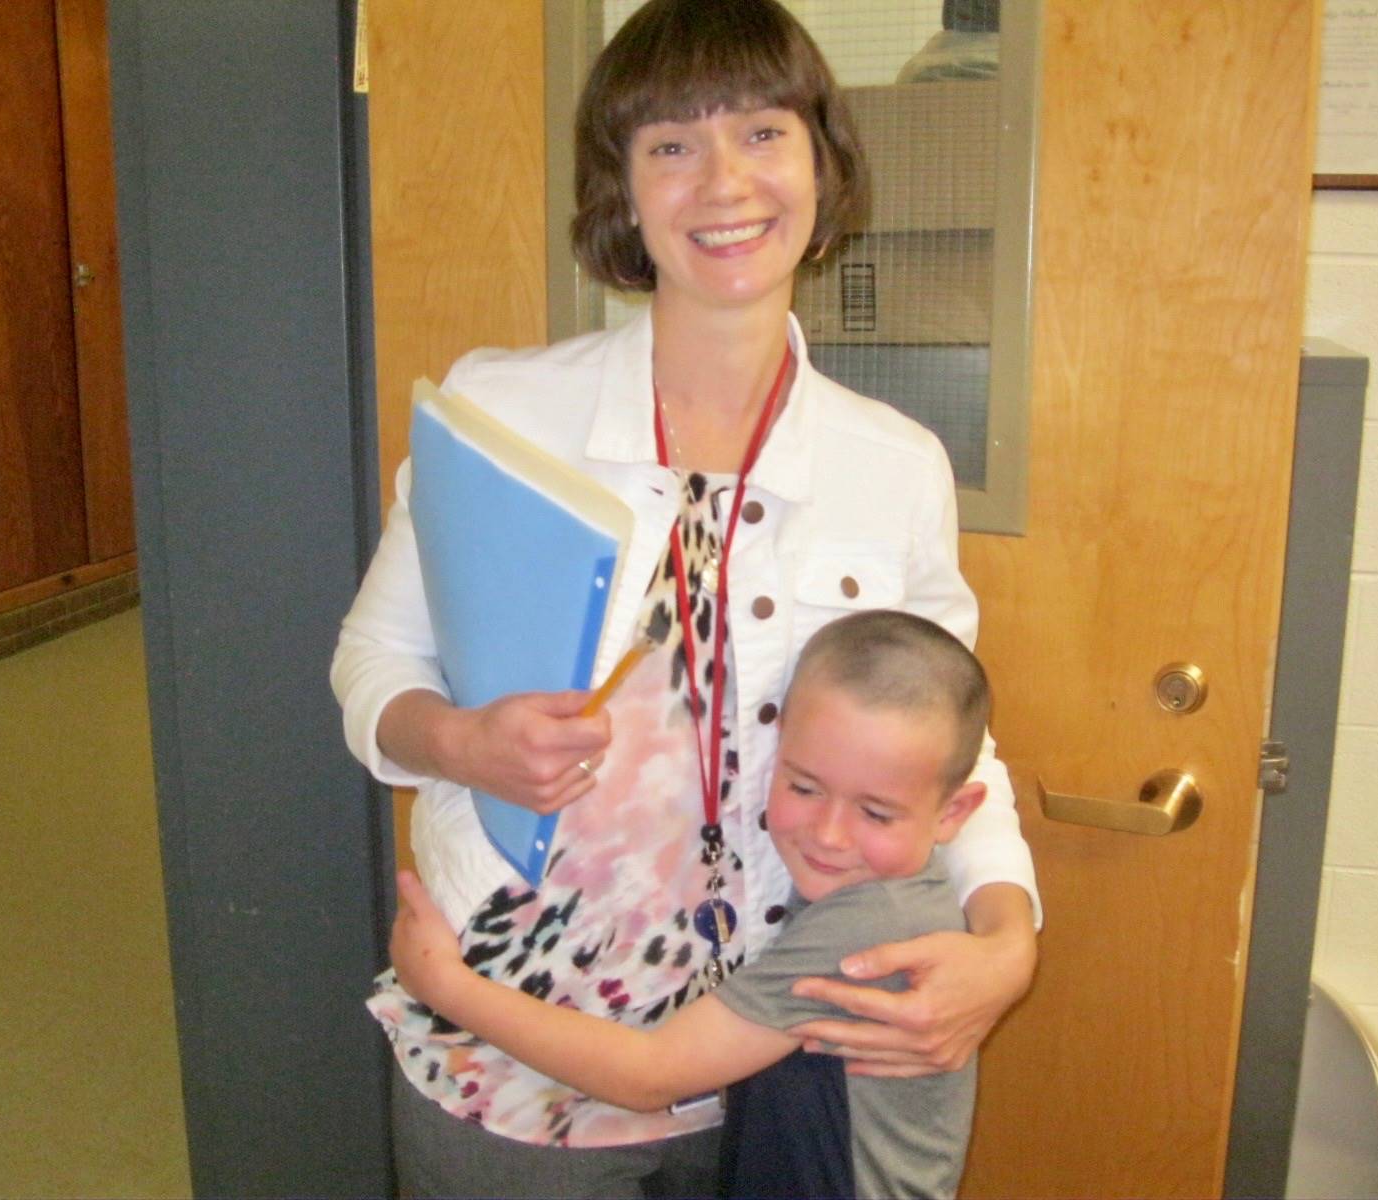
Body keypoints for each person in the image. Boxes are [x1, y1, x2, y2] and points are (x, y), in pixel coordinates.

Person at [331, 0, 1039, 1194]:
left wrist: (1008, 942)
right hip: (509, 1035)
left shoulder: (893, 465)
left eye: (762, 133)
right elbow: (372, 668)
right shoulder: (500, 412)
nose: (723, 182)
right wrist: (459, 740)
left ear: (820, 160)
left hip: (762, 1044)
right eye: (670, 145)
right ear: (624, 188)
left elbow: (946, 740)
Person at [390, 611, 995, 1200]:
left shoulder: (869, 927)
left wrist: (445, 985)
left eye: (875, 813)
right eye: (804, 787)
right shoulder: (889, 883)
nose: (829, 834)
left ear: (954, 813)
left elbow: (650, 1074)